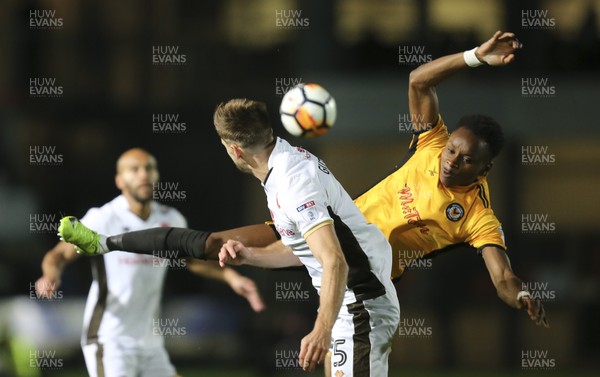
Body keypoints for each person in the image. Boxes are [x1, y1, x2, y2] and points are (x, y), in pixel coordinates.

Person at [58, 103, 401, 377]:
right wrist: (250, 256)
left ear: (235, 150)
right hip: (349, 304)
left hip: (360, 306)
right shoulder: (282, 167)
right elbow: (306, 250)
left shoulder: (294, 183)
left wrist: (321, 327)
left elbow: (333, 260)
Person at [353, 30, 548, 327]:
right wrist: (476, 57)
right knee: (254, 247)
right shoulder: (432, 143)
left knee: (344, 360)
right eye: (452, 149)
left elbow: (503, 276)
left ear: (483, 170)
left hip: (364, 275)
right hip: (338, 229)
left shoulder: (477, 216)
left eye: (466, 159)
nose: (452, 160)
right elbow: (418, 80)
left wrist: (520, 294)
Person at [35, 148, 265, 377]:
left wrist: (231, 276)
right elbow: (59, 254)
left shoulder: (171, 218)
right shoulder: (103, 217)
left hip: (150, 342)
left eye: (149, 168)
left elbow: (190, 260)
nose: (143, 174)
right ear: (119, 180)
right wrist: (50, 274)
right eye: (134, 169)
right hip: (110, 339)